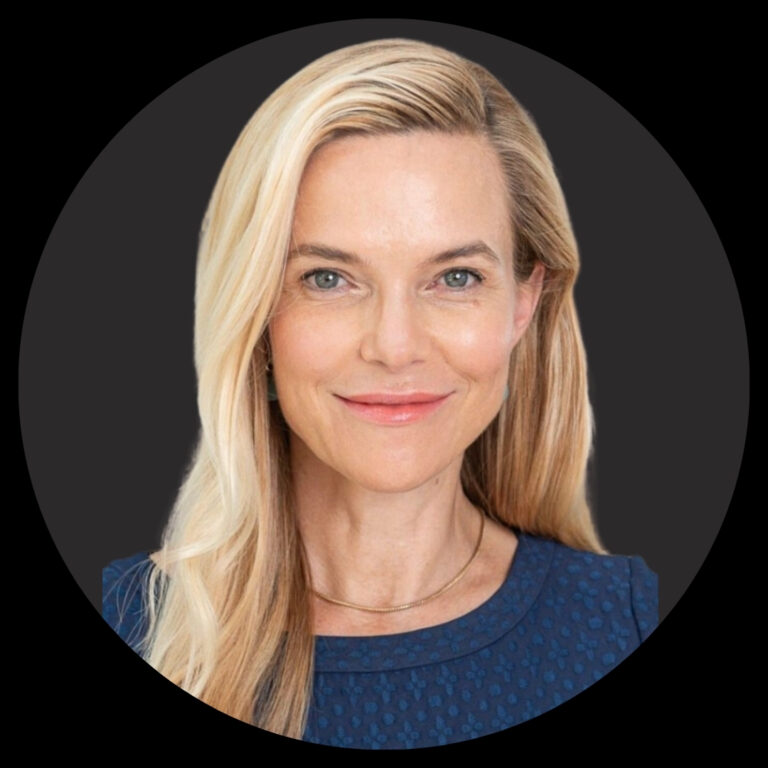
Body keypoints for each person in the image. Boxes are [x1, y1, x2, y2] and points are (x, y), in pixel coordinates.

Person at [102, 38, 658, 749]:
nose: (395, 346)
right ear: (255, 315)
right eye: (328, 279)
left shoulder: (625, 624)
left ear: (524, 302)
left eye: (455, 277)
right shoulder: (130, 621)